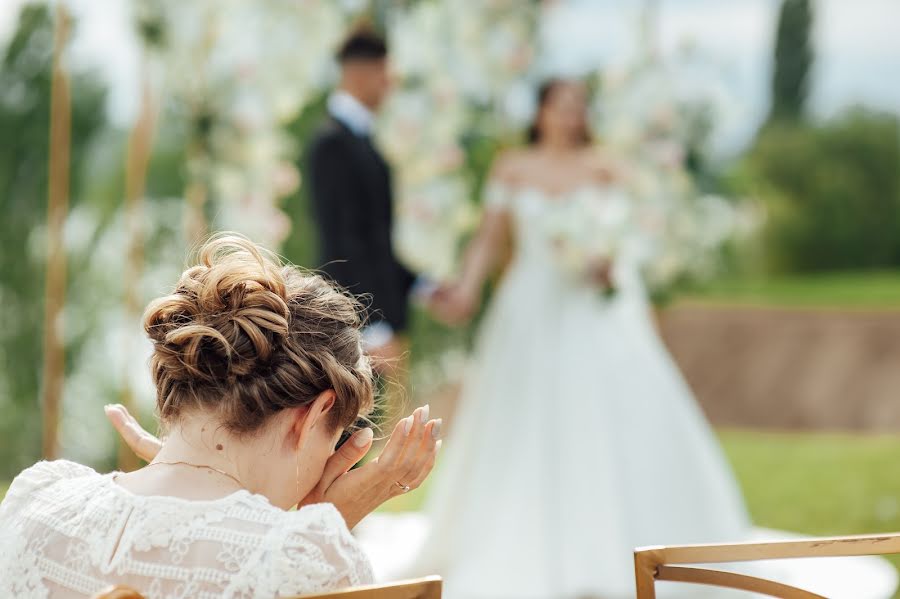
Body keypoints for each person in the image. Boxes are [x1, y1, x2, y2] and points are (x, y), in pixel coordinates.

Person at [381, 80, 894, 598]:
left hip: (593, 308)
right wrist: (465, 290)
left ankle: (624, 545)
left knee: (613, 415)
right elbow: (489, 239)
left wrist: (609, 265)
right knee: (522, 419)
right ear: (540, 111)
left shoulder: (606, 167)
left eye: (579, 106)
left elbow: (630, 237)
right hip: (529, 309)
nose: (570, 115)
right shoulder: (513, 166)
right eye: (561, 105)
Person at [0, 234, 442, 598]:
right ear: (314, 415)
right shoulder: (299, 563)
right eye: (333, 441)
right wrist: (317, 533)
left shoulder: (37, 501)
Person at [306, 28, 418, 371]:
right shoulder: (332, 144)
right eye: (385, 72)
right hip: (356, 324)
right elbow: (344, 240)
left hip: (373, 317)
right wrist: (372, 326)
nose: (390, 83)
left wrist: (423, 285)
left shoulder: (362, 140)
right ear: (359, 72)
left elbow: (375, 233)